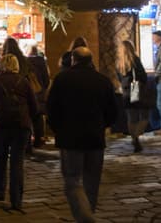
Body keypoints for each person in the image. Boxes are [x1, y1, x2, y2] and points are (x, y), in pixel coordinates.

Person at [46, 47, 117, 223]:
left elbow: (51, 108)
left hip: (70, 138)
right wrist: (101, 125)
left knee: (72, 180)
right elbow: (113, 112)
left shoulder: (62, 80)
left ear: (73, 60)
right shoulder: (103, 81)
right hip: (94, 137)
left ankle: (85, 217)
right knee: (92, 180)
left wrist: (58, 129)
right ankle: (89, 212)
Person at [0, 53, 37, 212]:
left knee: (0, 158)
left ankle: (0, 191)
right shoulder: (24, 82)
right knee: (17, 162)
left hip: (0, 125)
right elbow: (34, 106)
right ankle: (16, 199)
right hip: (21, 126)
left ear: (0, 66)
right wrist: (28, 118)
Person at [116, 39, 148, 153]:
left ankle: (134, 138)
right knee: (144, 115)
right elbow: (143, 76)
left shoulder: (119, 62)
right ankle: (137, 136)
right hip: (135, 90)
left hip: (125, 92)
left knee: (131, 117)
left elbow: (119, 78)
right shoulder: (135, 60)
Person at [26, 43, 50, 147]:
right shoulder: (42, 61)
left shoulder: (25, 62)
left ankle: (28, 140)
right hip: (39, 91)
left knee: (28, 115)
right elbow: (46, 78)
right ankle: (39, 139)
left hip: (28, 91)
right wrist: (43, 88)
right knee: (38, 116)